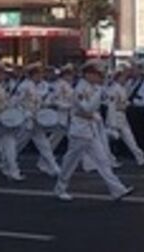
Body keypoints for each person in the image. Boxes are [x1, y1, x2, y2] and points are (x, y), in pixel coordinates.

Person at [54, 60, 133, 202]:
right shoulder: (79, 89)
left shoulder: (93, 88)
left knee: (102, 160)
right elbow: (87, 108)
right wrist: (100, 93)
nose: (99, 78)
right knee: (70, 162)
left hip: (91, 130)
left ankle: (117, 190)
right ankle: (60, 188)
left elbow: (103, 104)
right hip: (79, 130)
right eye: (97, 75)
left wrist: (103, 92)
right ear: (88, 75)